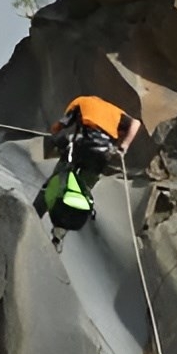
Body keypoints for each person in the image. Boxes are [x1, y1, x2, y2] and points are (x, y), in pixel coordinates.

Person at [35, 94, 142, 248]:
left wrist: (55, 136)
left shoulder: (81, 102)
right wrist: (124, 145)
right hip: (102, 155)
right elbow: (136, 123)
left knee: (56, 182)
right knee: (80, 192)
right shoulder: (115, 112)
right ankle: (59, 235)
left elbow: (58, 126)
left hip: (81, 147)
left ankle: (34, 214)